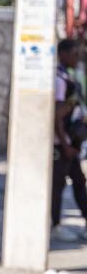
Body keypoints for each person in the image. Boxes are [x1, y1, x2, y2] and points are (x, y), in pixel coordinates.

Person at [51, 38, 87, 242]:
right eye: (74, 53)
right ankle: (55, 225)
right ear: (63, 54)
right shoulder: (59, 80)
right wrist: (65, 145)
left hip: (70, 144)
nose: (77, 57)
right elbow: (57, 116)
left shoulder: (67, 75)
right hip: (61, 144)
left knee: (79, 182)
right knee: (57, 186)